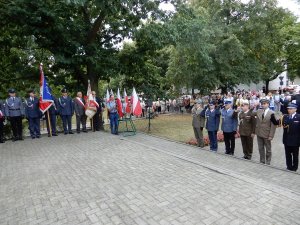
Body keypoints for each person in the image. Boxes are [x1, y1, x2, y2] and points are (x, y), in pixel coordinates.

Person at [271, 102, 300, 171]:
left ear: (295, 109)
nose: (289, 110)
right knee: (288, 155)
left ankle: (294, 168)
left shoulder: (299, 117)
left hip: (296, 140)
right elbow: (276, 123)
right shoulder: (285, 117)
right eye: (288, 109)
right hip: (286, 140)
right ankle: (289, 167)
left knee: (295, 156)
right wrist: (272, 117)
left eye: (291, 109)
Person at [253, 98, 276, 165]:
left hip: (267, 133)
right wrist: (253, 106)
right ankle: (262, 161)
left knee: (268, 149)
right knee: (260, 148)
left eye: (264, 104)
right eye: (262, 104)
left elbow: (273, 126)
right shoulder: (259, 111)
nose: (263, 105)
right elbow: (251, 113)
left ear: (268, 104)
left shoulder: (272, 113)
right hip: (259, 133)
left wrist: (271, 135)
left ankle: (268, 161)